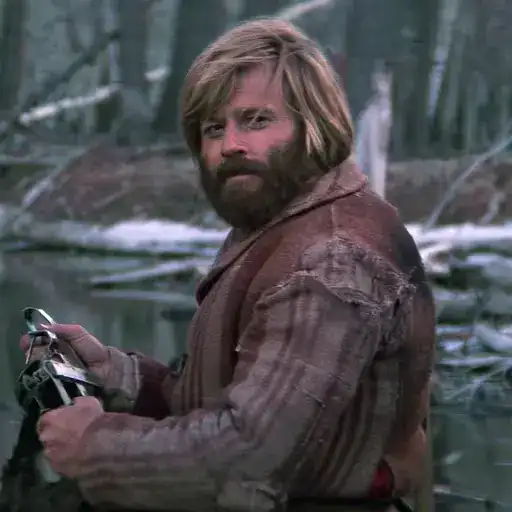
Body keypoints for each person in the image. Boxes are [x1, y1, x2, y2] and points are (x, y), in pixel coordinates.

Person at [20, 18, 435, 512]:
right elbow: (225, 400)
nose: (230, 144)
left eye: (256, 120)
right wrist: (112, 374)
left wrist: (92, 446)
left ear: (314, 126)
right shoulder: (280, 221)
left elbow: (247, 455)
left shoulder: (332, 259)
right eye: (214, 128)